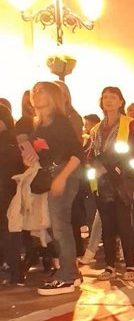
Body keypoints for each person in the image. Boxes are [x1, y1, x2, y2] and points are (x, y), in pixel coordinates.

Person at [19, 81, 84, 295]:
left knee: (60, 226)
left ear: (53, 96)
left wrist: (62, 178)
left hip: (64, 172)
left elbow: (77, 154)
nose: (35, 93)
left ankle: (67, 275)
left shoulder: (61, 122)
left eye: (41, 90)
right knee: (57, 226)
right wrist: (31, 160)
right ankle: (70, 272)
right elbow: (41, 154)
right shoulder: (39, 124)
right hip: (52, 173)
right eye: (34, 90)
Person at [87, 86, 134, 281]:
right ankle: (110, 266)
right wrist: (95, 164)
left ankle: (130, 265)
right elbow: (91, 153)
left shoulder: (129, 123)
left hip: (121, 178)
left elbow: (129, 150)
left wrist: (104, 165)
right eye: (105, 97)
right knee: (107, 225)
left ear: (120, 102)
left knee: (124, 223)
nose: (108, 100)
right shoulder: (95, 129)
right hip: (101, 181)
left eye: (113, 97)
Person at [0, 104, 26, 285]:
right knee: (9, 234)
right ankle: (15, 273)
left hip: (7, 194)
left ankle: (16, 272)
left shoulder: (9, 143)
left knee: (9, 234)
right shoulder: (11, 142)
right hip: (9, 193)